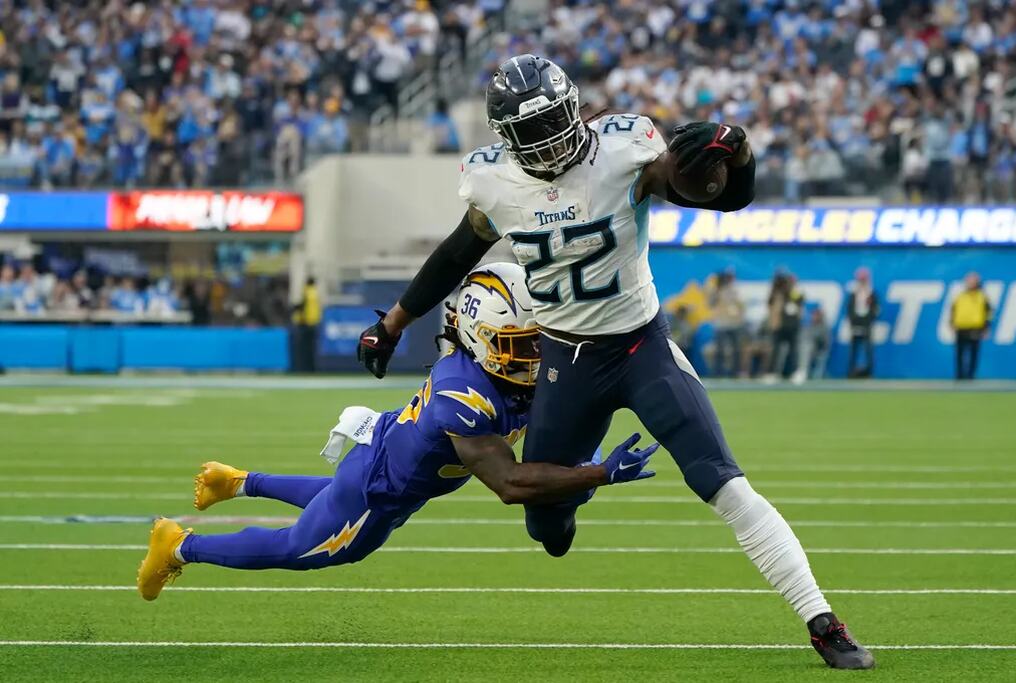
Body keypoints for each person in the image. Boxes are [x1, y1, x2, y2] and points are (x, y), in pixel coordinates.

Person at [356, 55, 873, 669]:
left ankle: (822, 621)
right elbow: (455, 253)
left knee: (722, 481)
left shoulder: (625, 147)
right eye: (532, 130)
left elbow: (719, 196)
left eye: (554, 120)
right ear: (505, 139)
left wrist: (737, 153)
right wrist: (392, 324)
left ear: (574, 107)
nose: (548, 139)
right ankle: (570, 502)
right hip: (566, 361)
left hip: (640, 346)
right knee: (547, 530)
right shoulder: (492, 182)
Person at [137, 264, 657, 600]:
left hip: (385, 444)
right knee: (302, 547)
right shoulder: (466, 398)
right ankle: (180, 545)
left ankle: (239, 481)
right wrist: (599, 473)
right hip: (384, 486)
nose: (535, 356)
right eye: (522, 345)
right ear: (483, 337)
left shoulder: (486, 365)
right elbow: (510, 485)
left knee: (335, 494)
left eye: (536, 342)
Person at [950, 272, 991, 380]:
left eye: (973, 280)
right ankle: (959, 376)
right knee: (959, 354)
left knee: (973, 354)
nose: (970, 283)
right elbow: (953, 310)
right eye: (968, 280)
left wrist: (986, 328)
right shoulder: (960, 296)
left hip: (975, 328)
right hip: (961, 328)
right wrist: (952, 323)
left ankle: (971, 376)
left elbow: (988, 313)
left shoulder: (982, 296)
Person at [846, 267, 880, 378]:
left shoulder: (872, 293)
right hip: (855, 324)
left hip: (867, 324)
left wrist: (868, 320)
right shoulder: (854, 293)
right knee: (853, 349)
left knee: (868, 349)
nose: (862, 282)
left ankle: (869, 372)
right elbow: (849, 308)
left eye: (863, 279)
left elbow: (876, 310)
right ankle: (851, 372)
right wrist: (853, 321)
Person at [710, 268, 744, 377]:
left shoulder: (736, 290)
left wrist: (739, 317)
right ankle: (718, 373)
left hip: (734, 324)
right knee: (720, 350)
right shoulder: (717, 290)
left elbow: (741, 307)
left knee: (736, 350)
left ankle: (735, 372)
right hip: (721, 324)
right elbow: (711, 303)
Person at [292, 276, 322, 373]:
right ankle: (312, 368)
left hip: (305, 323)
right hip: (314, 322)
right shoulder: (316, 293)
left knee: (303, 349)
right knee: (312, 348)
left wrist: (295, 309)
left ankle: (303, 368)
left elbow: (302, 307)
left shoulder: (307, 292)